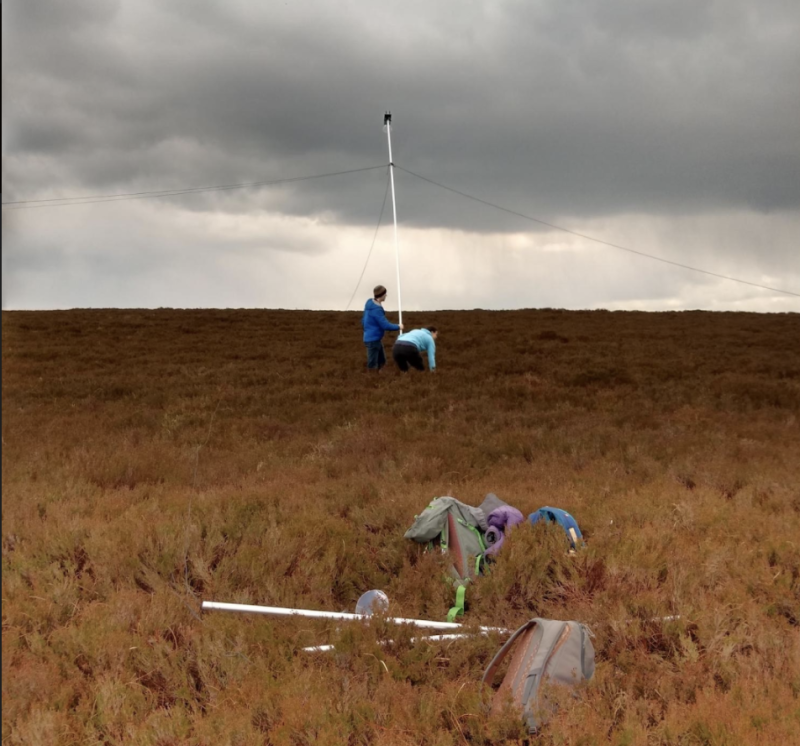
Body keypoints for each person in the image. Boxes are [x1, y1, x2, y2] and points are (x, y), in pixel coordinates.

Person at [362, 285, 403, 372]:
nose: (386, 296)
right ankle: (371, 381)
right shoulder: (377, 310)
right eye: (385, 294)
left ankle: (380, 379)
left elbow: (363, 320)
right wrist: (398, 327)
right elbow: (385, 325)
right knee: (372, 365)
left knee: (382, 362)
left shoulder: (369, 302)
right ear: (382, 295)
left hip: (374, 339)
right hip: (373, 340)